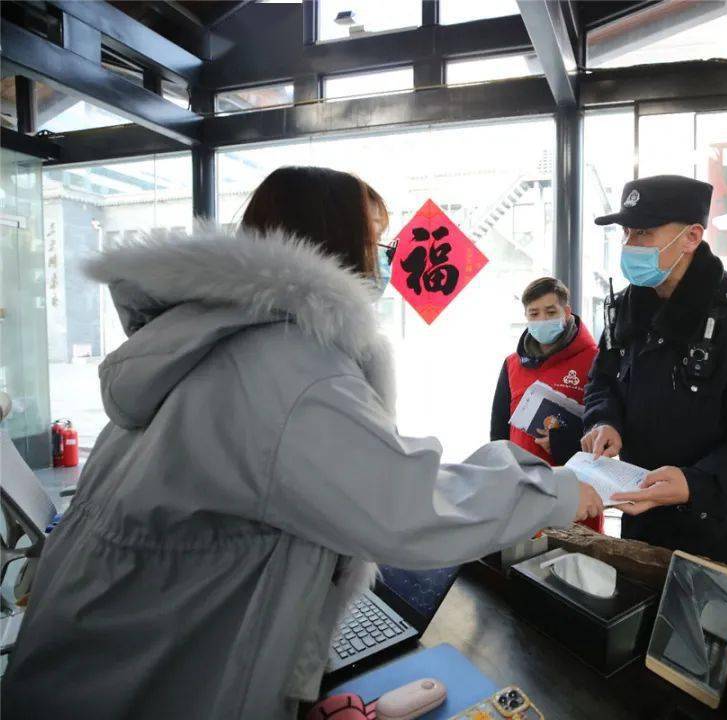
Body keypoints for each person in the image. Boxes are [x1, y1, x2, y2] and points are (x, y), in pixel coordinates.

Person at [2, 166, 604, 720]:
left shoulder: (207, 341)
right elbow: (408, 506)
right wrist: (560, 490)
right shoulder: (285, 367)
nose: (385, 262)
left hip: (90, 665)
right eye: (374, 243)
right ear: (332, 244)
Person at [581, 174, 727, 568]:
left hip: (713, 524)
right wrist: (604, 420)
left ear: (690, 238)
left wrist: (697, 483)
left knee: (703, 627)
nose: (629, 246)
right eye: (627, 233)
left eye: (644, 233)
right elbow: (602, 379)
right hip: (639, 514)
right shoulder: (625, 310)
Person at [490, 277, 602, 532]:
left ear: (566, 311)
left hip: (576, 496)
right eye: (534, 313)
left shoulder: (595, 360)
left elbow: (608, 429)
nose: (542, 320)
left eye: (550, 312)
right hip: (524, 491)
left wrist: (564, 442)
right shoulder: (512, 365)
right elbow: (498, 433)